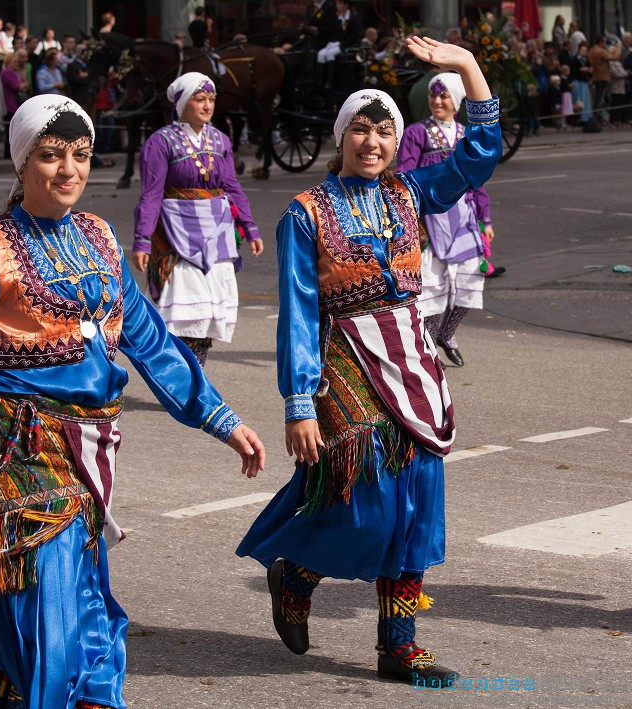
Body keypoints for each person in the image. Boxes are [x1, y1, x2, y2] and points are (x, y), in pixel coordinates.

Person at [0, 94, 266, 708]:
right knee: (51, 622)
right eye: (50, 156)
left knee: (76, 612)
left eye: (79, 155)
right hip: (13, 455)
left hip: (89, 451)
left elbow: (150, 341)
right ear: (22, 165)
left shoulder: (99, 236)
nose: (68, 169)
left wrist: (221, 419)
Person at [237, 36, 501, 683]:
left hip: (413, 359)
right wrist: (298, 403)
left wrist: (466, 66)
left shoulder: (411, 192)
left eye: (385, 130)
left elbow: (481, 154)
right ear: (341, 136)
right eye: (362, 128)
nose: (374, 141)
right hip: (345, 358)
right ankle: (297, 572)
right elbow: (299, 312)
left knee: (416, 501)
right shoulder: (307, 213)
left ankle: (398, 645)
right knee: (365, 497)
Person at [131, 72, 264, 367]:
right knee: (187, 311)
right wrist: (142, 239)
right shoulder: (160, 142)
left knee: (211, 310)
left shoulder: (220, 140)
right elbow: (151, 194)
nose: (207, 106)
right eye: (199, 99)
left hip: (217, 231)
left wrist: (249, 227)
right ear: (181, 105)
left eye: (211, 100)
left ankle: (195, 374)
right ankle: (182, 375)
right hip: (176, 232)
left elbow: (232, 187)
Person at [397, 72, 492, 367]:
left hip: (464, 217)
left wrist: (485, 219)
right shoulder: (417, 133)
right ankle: (430, 346)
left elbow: (478, 179)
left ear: (457, 100)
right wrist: (414, 216)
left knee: (470, 279)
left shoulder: (466, 134)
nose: (437, 101)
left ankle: (448, 334)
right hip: (431, 217)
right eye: (433, 96)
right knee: (433, 284)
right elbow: (405, 176)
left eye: (443, 96)